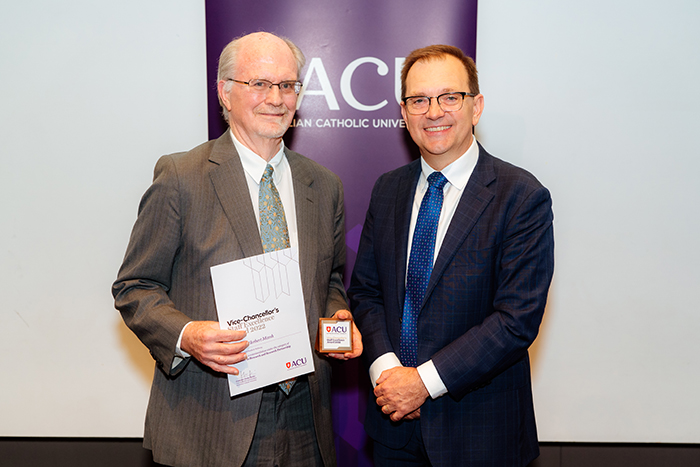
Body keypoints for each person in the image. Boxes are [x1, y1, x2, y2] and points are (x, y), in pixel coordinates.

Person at [112, 32, 361, 467]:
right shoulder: (181, 176)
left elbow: (331, 280)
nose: (277, 98)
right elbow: (135, 287)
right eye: (260, 84)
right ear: (225, 92)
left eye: (287, 85)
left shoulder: (323, 186)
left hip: (305, 415)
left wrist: (335, 318)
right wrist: (188, 336)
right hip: (209, 421)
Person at [348, 44, 554, 466]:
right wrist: (388, 374)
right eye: (418, 100)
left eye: (449, 97)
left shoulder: (521, 196)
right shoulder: (388, 189)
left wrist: (421, 383)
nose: (433, 112)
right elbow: (366, 292)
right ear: (403, 114)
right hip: (393, 431)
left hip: (480, 432)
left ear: (475, 107)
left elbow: (516, 320)